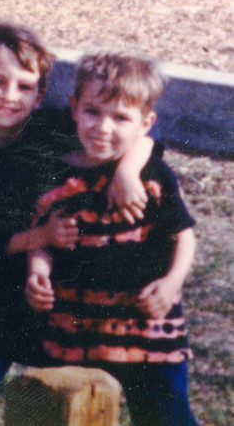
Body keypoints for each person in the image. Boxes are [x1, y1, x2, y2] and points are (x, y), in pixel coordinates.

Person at [0, 25, 153, 426]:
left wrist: (127, 171)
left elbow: (141, 135)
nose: (9, 96)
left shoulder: (52, 129)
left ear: (40, 95)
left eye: (24, 87)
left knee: (66, 405)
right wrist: (38, 237)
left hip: (65, 300)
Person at [26, 52, 198, 426]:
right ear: (74, 108)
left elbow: (184, 238)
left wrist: (171, 284)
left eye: (120, 117)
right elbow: (45, 237)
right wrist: (37, 272)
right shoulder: (59, 176)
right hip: (76, 329)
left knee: (166, 419)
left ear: (146, 123)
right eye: (93, 111)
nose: (103, 127)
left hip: (148, 333)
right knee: (65, 415)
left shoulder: (152, 177)